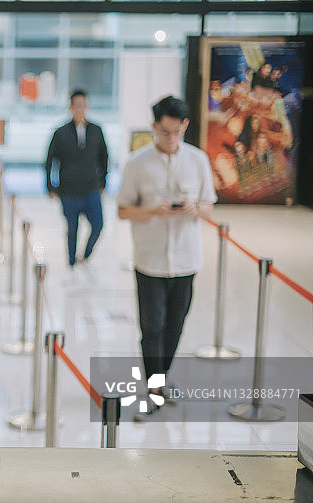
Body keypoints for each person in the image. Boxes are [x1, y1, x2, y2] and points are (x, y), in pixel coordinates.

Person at [117, 96, 217, 421]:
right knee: (152, 327)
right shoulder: (137, 163)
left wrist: (193, 209)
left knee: (175, 326)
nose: (170, 138)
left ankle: (160, 380)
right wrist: (152, 210)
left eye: (175, 131)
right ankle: (155, 388)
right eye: (164, 131)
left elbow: (209, 206)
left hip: (187, 260)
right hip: (150, 261)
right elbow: (122, 210)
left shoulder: (198, 160)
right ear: (153, 126)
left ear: (185, 126)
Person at [44, 89, 108, 274]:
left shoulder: (96, 131)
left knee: (98, 225)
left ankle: (85, 256)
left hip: (91, 188)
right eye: (76, 105)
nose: (80, 109)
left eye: (83, 105)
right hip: (68, 190)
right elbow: (50, 161)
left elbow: (104, 157)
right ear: (71, 107)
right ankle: (71, 263)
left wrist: (103, 182)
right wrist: (50, 186)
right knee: (72, 229)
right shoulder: (61, 132)